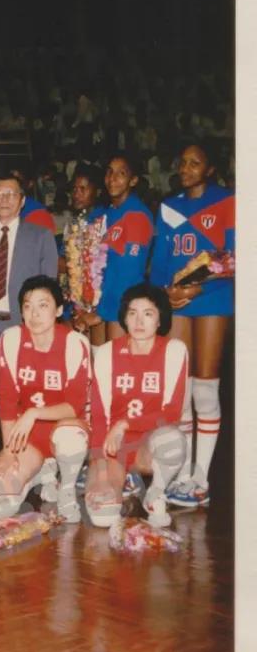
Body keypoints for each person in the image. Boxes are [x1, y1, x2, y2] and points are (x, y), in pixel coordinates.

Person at [149, 143, 234, 507]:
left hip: (213, 297)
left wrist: (199, 287)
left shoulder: (228, 201)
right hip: (177, 302)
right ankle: (182, 472)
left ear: (210, 169)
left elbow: (234, 256)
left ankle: (201, 478)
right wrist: (165, 292)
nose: (185, 168)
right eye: (182, 162)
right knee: (181, 390)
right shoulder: (169, 206)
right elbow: (160, 261)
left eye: (195, 163)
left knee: (205, 390)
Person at [0, 276, 90, 522]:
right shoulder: (11, 339)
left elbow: (74, 407)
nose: (35, 314)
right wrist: (8, 451)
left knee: (69, 437)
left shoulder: (74, 343)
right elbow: (7, 400)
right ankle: (42, 470)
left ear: (58, 310)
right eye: (28, 306)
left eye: (43, 305)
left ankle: (67, 488)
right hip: (26, 435)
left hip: (66, 427)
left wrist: (34, 413)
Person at [84, 284, 189, 528]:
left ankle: (156, 493)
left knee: (173, 440)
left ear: (160, 319)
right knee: (102, 518)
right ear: (124, 317)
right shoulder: (107, 352)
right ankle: (123, 481)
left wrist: (125, 423)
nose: (139, 321)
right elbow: (98, 414)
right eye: (133, 313)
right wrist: (100, 464)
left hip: (149, 446)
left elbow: (171, 413)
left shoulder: (174, 350)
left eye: (148, 313)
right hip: (113, 445)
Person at [0, 174, 58, 338]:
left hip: (25, 325)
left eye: (11, 194)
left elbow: (49, 288)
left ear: (22, 201)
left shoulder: (41, 237)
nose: (4, 199)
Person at [94, 154, 155, 341]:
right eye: (109, 172)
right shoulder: (103, 214)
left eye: (121, 173)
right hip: (100, 301)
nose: (112, 178)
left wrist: (101, 311)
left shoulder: (137, 214)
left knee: (117, 358)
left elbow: (129, 272)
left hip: (122, 304)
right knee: (97, 356)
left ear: (133, 180)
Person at [63, 164, 106, 343]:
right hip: (75, 300)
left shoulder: (105, 219)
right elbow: (66, 261)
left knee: (98, 351)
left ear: (97, 191)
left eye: (83, 189)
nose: (77, 194)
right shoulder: (73, 222)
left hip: (99, 301)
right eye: (74, 189)